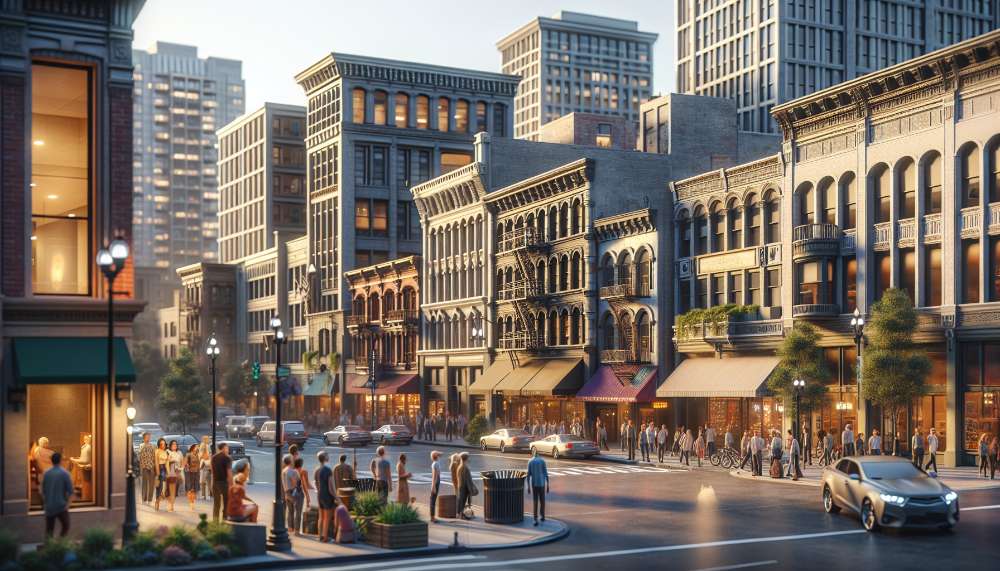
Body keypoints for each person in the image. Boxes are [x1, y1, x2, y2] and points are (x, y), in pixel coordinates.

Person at [41, 452, 73, 538]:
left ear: (51, 461)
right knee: (66, 526)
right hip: (61, 506)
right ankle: (60, 543)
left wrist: (45, 503)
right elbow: (70, 491)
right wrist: (68, 505)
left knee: (49, 529)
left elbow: (42, 491)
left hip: (49, 506)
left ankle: (50, 547)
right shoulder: (65, 473)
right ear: (61, 461)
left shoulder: (46, 473)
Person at [315, 452, 336, 543]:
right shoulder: (328, 470)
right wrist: (337, 497)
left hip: (320, 494)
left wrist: (320, 491)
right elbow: (331, 487)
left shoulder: (317, 470)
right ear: (325, 458)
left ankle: (319, 536)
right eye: (327, 455)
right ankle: (325, 537)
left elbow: (316, 483)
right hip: (327, 495)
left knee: (321, 517)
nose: (329, 456)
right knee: (327, 518)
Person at [527, 448, 549, 526]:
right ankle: (542, 515)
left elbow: (528, 475)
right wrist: (548, 485)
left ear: (533, 453)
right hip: (542, 484)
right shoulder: (542, 461)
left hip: (534, 484)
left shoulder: (530, 461)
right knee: (542, 500)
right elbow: (546, 473)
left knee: (535, 501)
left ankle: (535, 519)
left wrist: (528, 487)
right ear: (539, 453)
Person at [211, 442, 233, 522]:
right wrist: (232, 485)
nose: (228, 450)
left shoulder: (213, 457)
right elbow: (229, 472)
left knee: (216, 504)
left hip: (215, 482)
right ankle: (224, 520)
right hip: (224, 483)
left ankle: (215, 522)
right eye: (227, 448)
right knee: (226, 503)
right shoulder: (227, 458)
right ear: (223, 448)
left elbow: (212, 471)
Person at [282, 454, 303, 535]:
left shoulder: (284, 470)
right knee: (298, 511)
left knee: (290, 511)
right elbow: (295, 482)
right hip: (294, 492)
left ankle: (290, 528)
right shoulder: (293, 471)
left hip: (286, 492)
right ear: (290, 461)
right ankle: (297, 531)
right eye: (292, 459)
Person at [137, 432, 157, 504]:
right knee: (144, 484)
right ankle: (144, 499)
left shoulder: (153, 446)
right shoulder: (141, 445)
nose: (148, 438)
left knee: (151, 484)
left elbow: (155, 456)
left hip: (152, 466)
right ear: (144, 438)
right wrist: (141, 467)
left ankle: (150, 499)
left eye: (149, 436)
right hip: (144, 466)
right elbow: (139, 457)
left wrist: (155, 466)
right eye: (147, 437)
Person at [456, 452, 476, 520]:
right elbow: (469, 479)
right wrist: (472, 488)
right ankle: (461, 515)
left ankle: (459, 514)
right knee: (463, 501)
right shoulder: (466, 468)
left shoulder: (459, 467)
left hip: (460, 485)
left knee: (461, 500)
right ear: (466, 459)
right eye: (468, 458)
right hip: (465, 487)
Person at [165, 439, 183, 511]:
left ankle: (172, 505)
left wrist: (180, 469)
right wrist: (172, 461)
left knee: (175, 490)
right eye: (173, 444)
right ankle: (170, 505)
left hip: (177, 472)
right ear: (170, 445)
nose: (175, 445)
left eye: (176, 444)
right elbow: (166, 462)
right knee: (169, 489)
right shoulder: (168, 452)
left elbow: (181, 463)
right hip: (171, 471)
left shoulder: (179, 453)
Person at [184, 444, 200, 510]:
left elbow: (199, 464)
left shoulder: (197, 455)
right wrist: (187, 465)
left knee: (194, 488)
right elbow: (185, 463)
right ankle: (191, 502)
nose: (197, 448)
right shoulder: (188, 455)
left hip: (196, 473)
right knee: (190, 488)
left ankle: (192, 502)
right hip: (189, 473)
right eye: (196, 447)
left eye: (198, 447)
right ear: (193, 448)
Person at [154, 438, 168, 510]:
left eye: (164, 443)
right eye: (161, 443)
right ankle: (157, 502)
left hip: (164, 469)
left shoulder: (165, 452)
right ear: (159, 444)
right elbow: (156, 462)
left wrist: (168, 472)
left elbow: (167, 462)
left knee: (163, 487)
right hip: (159, 468)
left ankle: (159, 499)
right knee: (159, 486)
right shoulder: (157, 451)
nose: (163, 445)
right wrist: (157, 472)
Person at [429, 451, 442, 523]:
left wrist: (433, 486)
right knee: (433, 500)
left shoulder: (435, 463)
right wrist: (433, 486)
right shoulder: (436, 463)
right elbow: (435, 476)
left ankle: (432, 517)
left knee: (432, 500)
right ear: (437, 456)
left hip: (436, 481)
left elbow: (434, 476)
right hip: (437, 481)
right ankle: (432, 517)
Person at [198, 436, 213, 500]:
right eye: (206, 439)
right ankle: (204, 495)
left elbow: (208, 456)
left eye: (208, 439)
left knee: (207, 481)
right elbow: (201, 456)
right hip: (203, 465)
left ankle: (208, 495)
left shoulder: (208, 446)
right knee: (203, 481)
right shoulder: (203, 445)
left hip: (207, 465)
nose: (208, 440)